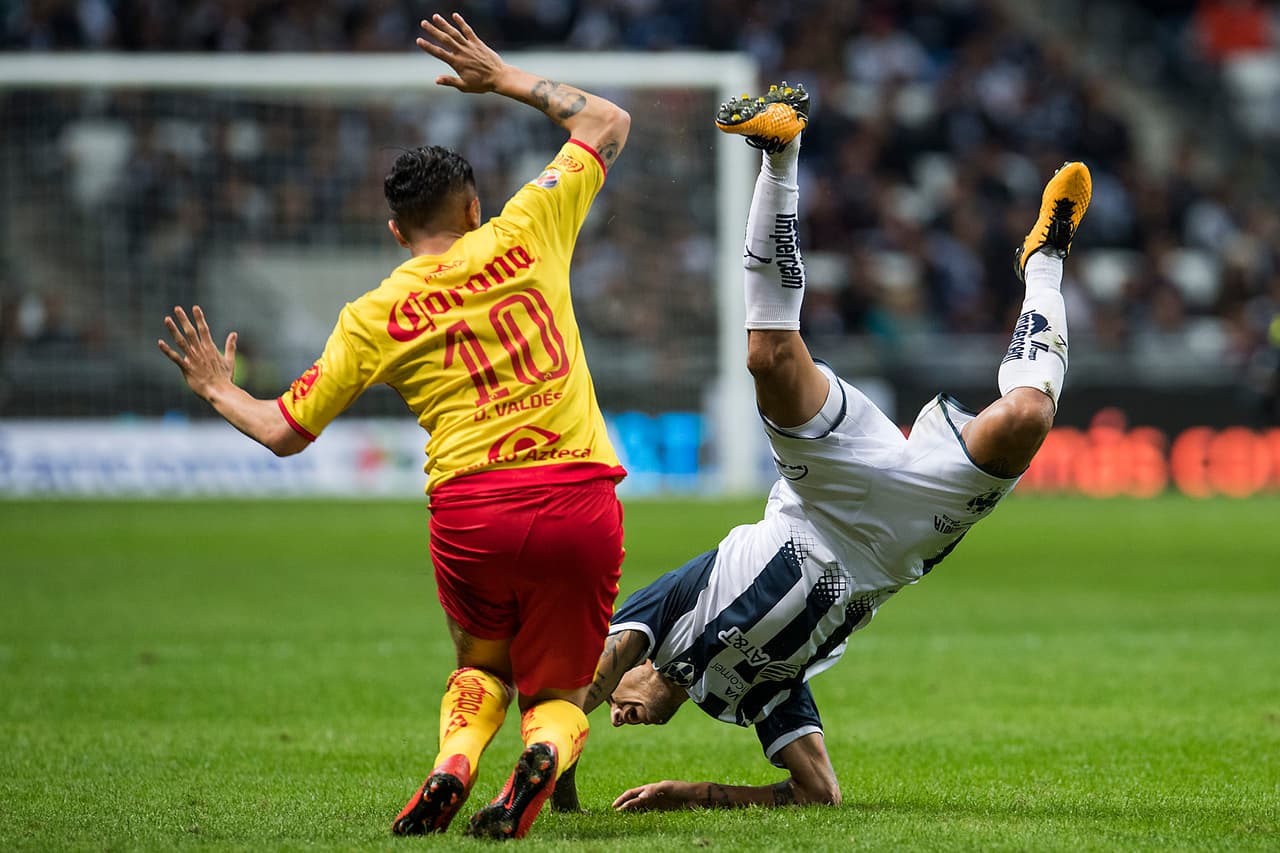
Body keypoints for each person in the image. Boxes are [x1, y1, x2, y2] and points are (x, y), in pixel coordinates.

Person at [157, 12, 631, 840]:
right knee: (558, 691)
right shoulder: (527, 225)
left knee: (481, 664)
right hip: (576, 495)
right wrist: (503, 78)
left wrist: (215, 387)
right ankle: (544, 755)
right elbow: (608, 121)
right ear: (475, 206)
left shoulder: (373, 312)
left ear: (395, 231)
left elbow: (281, 431)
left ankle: (454, 763)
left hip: (472, 511)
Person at [554, 82, 1091, 811]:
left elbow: (595, 667)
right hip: (890, 547)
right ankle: (1047, 260)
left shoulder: (669, 612)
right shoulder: (758, 693)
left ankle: (780, 151)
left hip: (820, 494)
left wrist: (560, 756)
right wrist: (692, 792)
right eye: (618, 712)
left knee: (768, 358)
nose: (621, 712)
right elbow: (818, 795)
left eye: (613, 703)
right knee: (1026, 416)